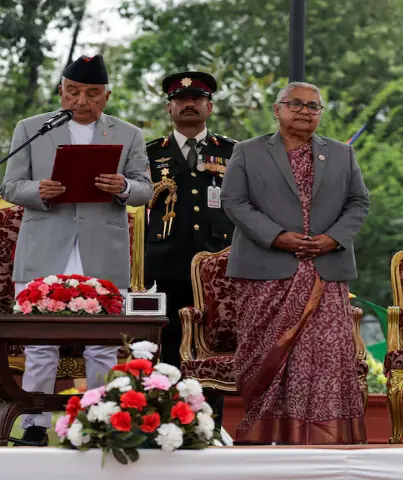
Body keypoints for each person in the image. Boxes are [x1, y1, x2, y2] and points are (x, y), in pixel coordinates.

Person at [0, 54, 153, 445]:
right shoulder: (32, 128)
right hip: (45, 247)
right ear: (61, 91)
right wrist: (39, 191)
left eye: (92, 93)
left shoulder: (128, 133)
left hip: (101, 249)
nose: (81, 102)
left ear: (107, 95)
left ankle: (96, 423)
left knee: (101, 347)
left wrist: (121, 187)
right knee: (40, 344)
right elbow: (11, 186)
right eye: (73, 92)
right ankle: (35, 425)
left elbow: (144, 188)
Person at [221, 81, 370, 445]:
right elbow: (234, 201)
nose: (305, 111)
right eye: (296, 104)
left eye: (313, 106)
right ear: (277, 109)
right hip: (266, 272)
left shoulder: (340, 154)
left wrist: (332, 239)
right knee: (265, 358)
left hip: (325, 272)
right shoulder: (248, 151)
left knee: (323, 362)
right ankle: (265, 437)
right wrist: (277, 236)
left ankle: (323, 442)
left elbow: (359, 203)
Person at [144, 71, 236, 429]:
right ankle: (162, 424)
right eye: (181, 100)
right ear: (170, 108)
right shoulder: (150, 153)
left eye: (196, 99)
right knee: (164, 346)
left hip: (216, 269)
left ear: (209, 106)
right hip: (163, 265)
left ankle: (208, 429)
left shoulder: (231, 152)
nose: (189, 104)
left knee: (210, 347)